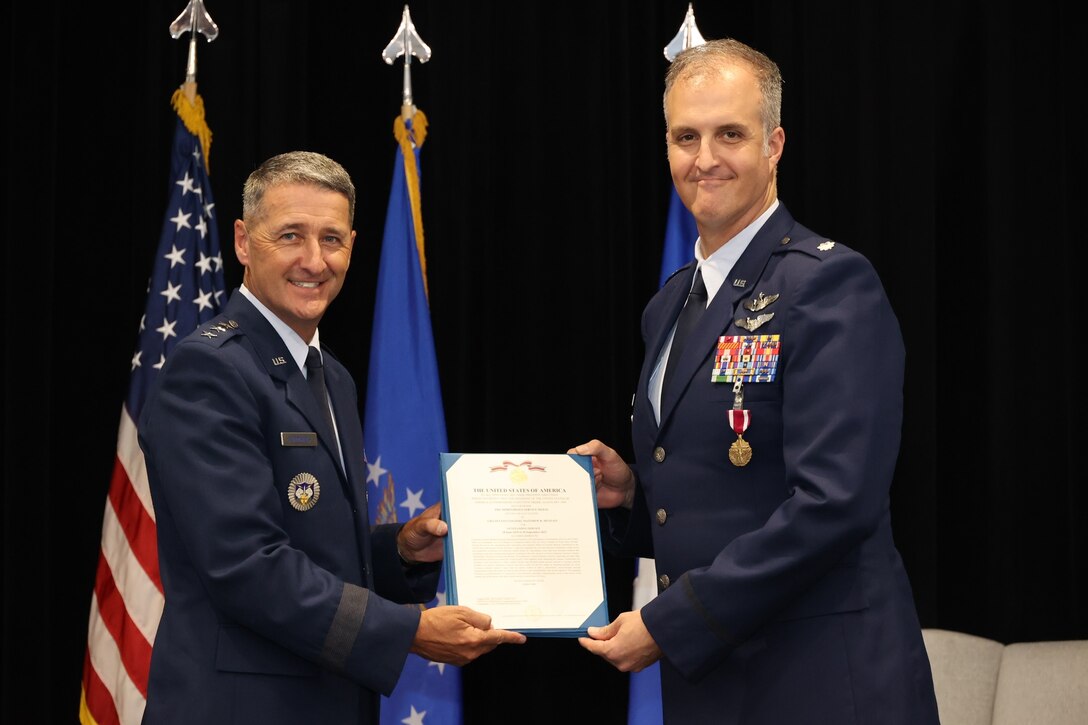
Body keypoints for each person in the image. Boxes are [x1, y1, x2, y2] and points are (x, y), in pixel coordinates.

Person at [569, 39, 939, 724]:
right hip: (717, 684)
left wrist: (671, 619)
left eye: (729, 134)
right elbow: (714, 492)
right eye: (685, 136)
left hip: (822, 680)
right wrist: (629, 496)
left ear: (774, 144)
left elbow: (834, 502)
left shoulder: (828, 282)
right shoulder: (671, 304)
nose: (703, 159)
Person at [138, 150, 525, 724]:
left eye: (332, 239)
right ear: (244, 242)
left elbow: (314, 549)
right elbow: (247, 566)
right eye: (290, 236)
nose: (314, 261)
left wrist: (398, 549)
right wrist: (410, 631)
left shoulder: (330, 375)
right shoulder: (210, 371)